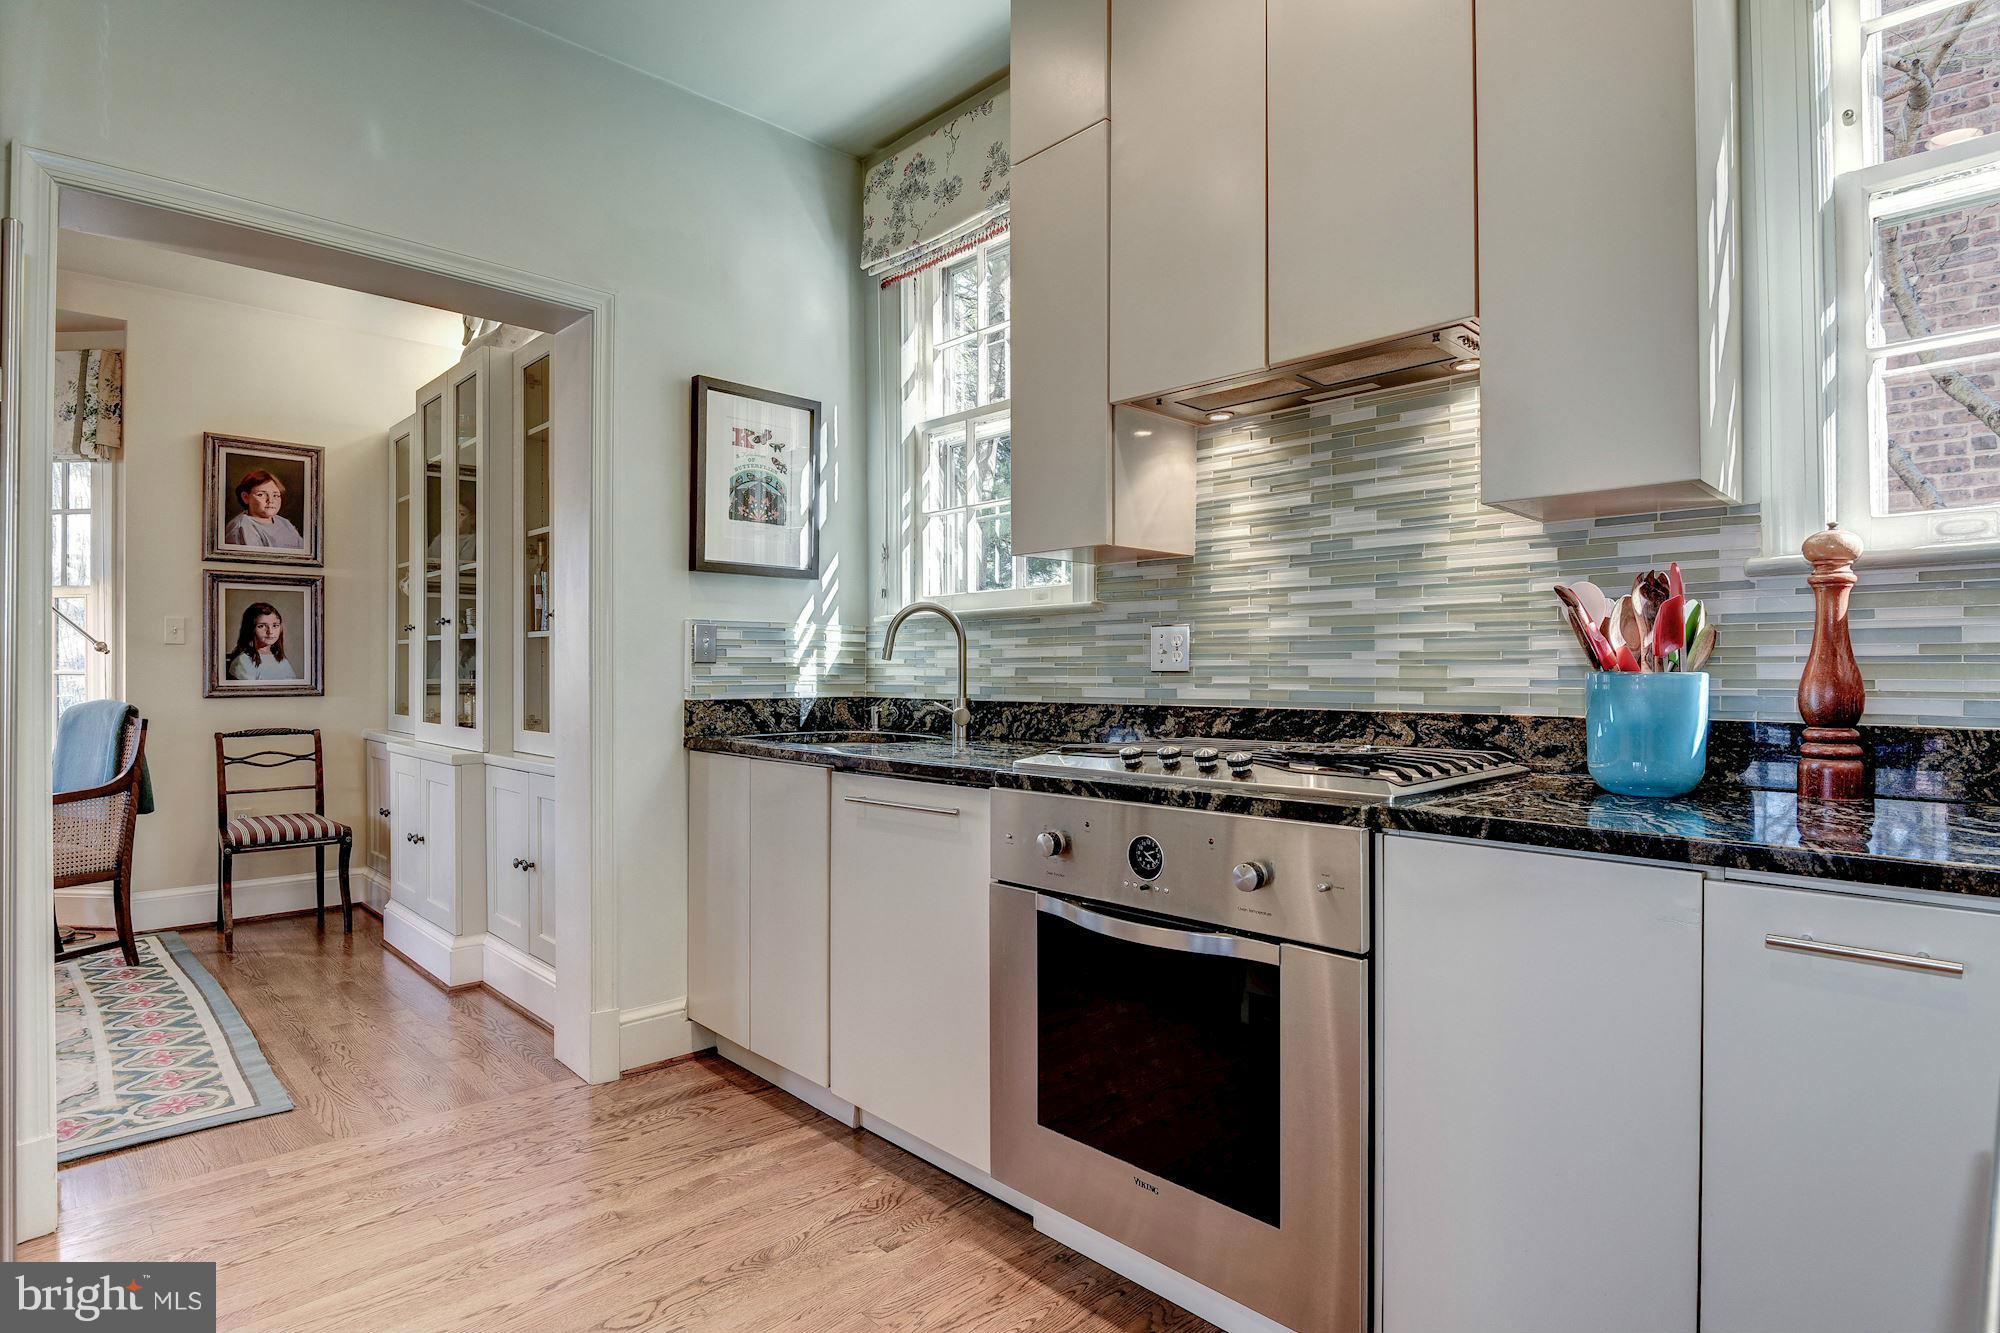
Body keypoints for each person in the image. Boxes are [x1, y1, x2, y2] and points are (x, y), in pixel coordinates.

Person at [223, 468, 305, 549]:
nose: (271, 500)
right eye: (261, 495)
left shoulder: (284, 523)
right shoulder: (242, 527)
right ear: (246, 497)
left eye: (275, 495)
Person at [225, 602, 299, 682]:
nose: (270, 631)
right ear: (250, 629)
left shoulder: (281, 659)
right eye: (261, 626)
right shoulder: (243, 661)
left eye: (275, 626)